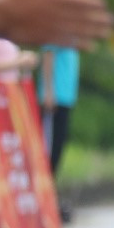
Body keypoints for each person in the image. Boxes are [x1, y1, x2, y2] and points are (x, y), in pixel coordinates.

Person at [39, 44, 80, 177]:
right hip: (54, 99)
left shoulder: (71, 37)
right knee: (48, 146)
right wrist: (48, 91)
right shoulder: (57, 33)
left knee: (58, 145)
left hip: (65, 98)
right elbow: (48, 58)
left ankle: (50, 183)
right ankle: (44, 182)